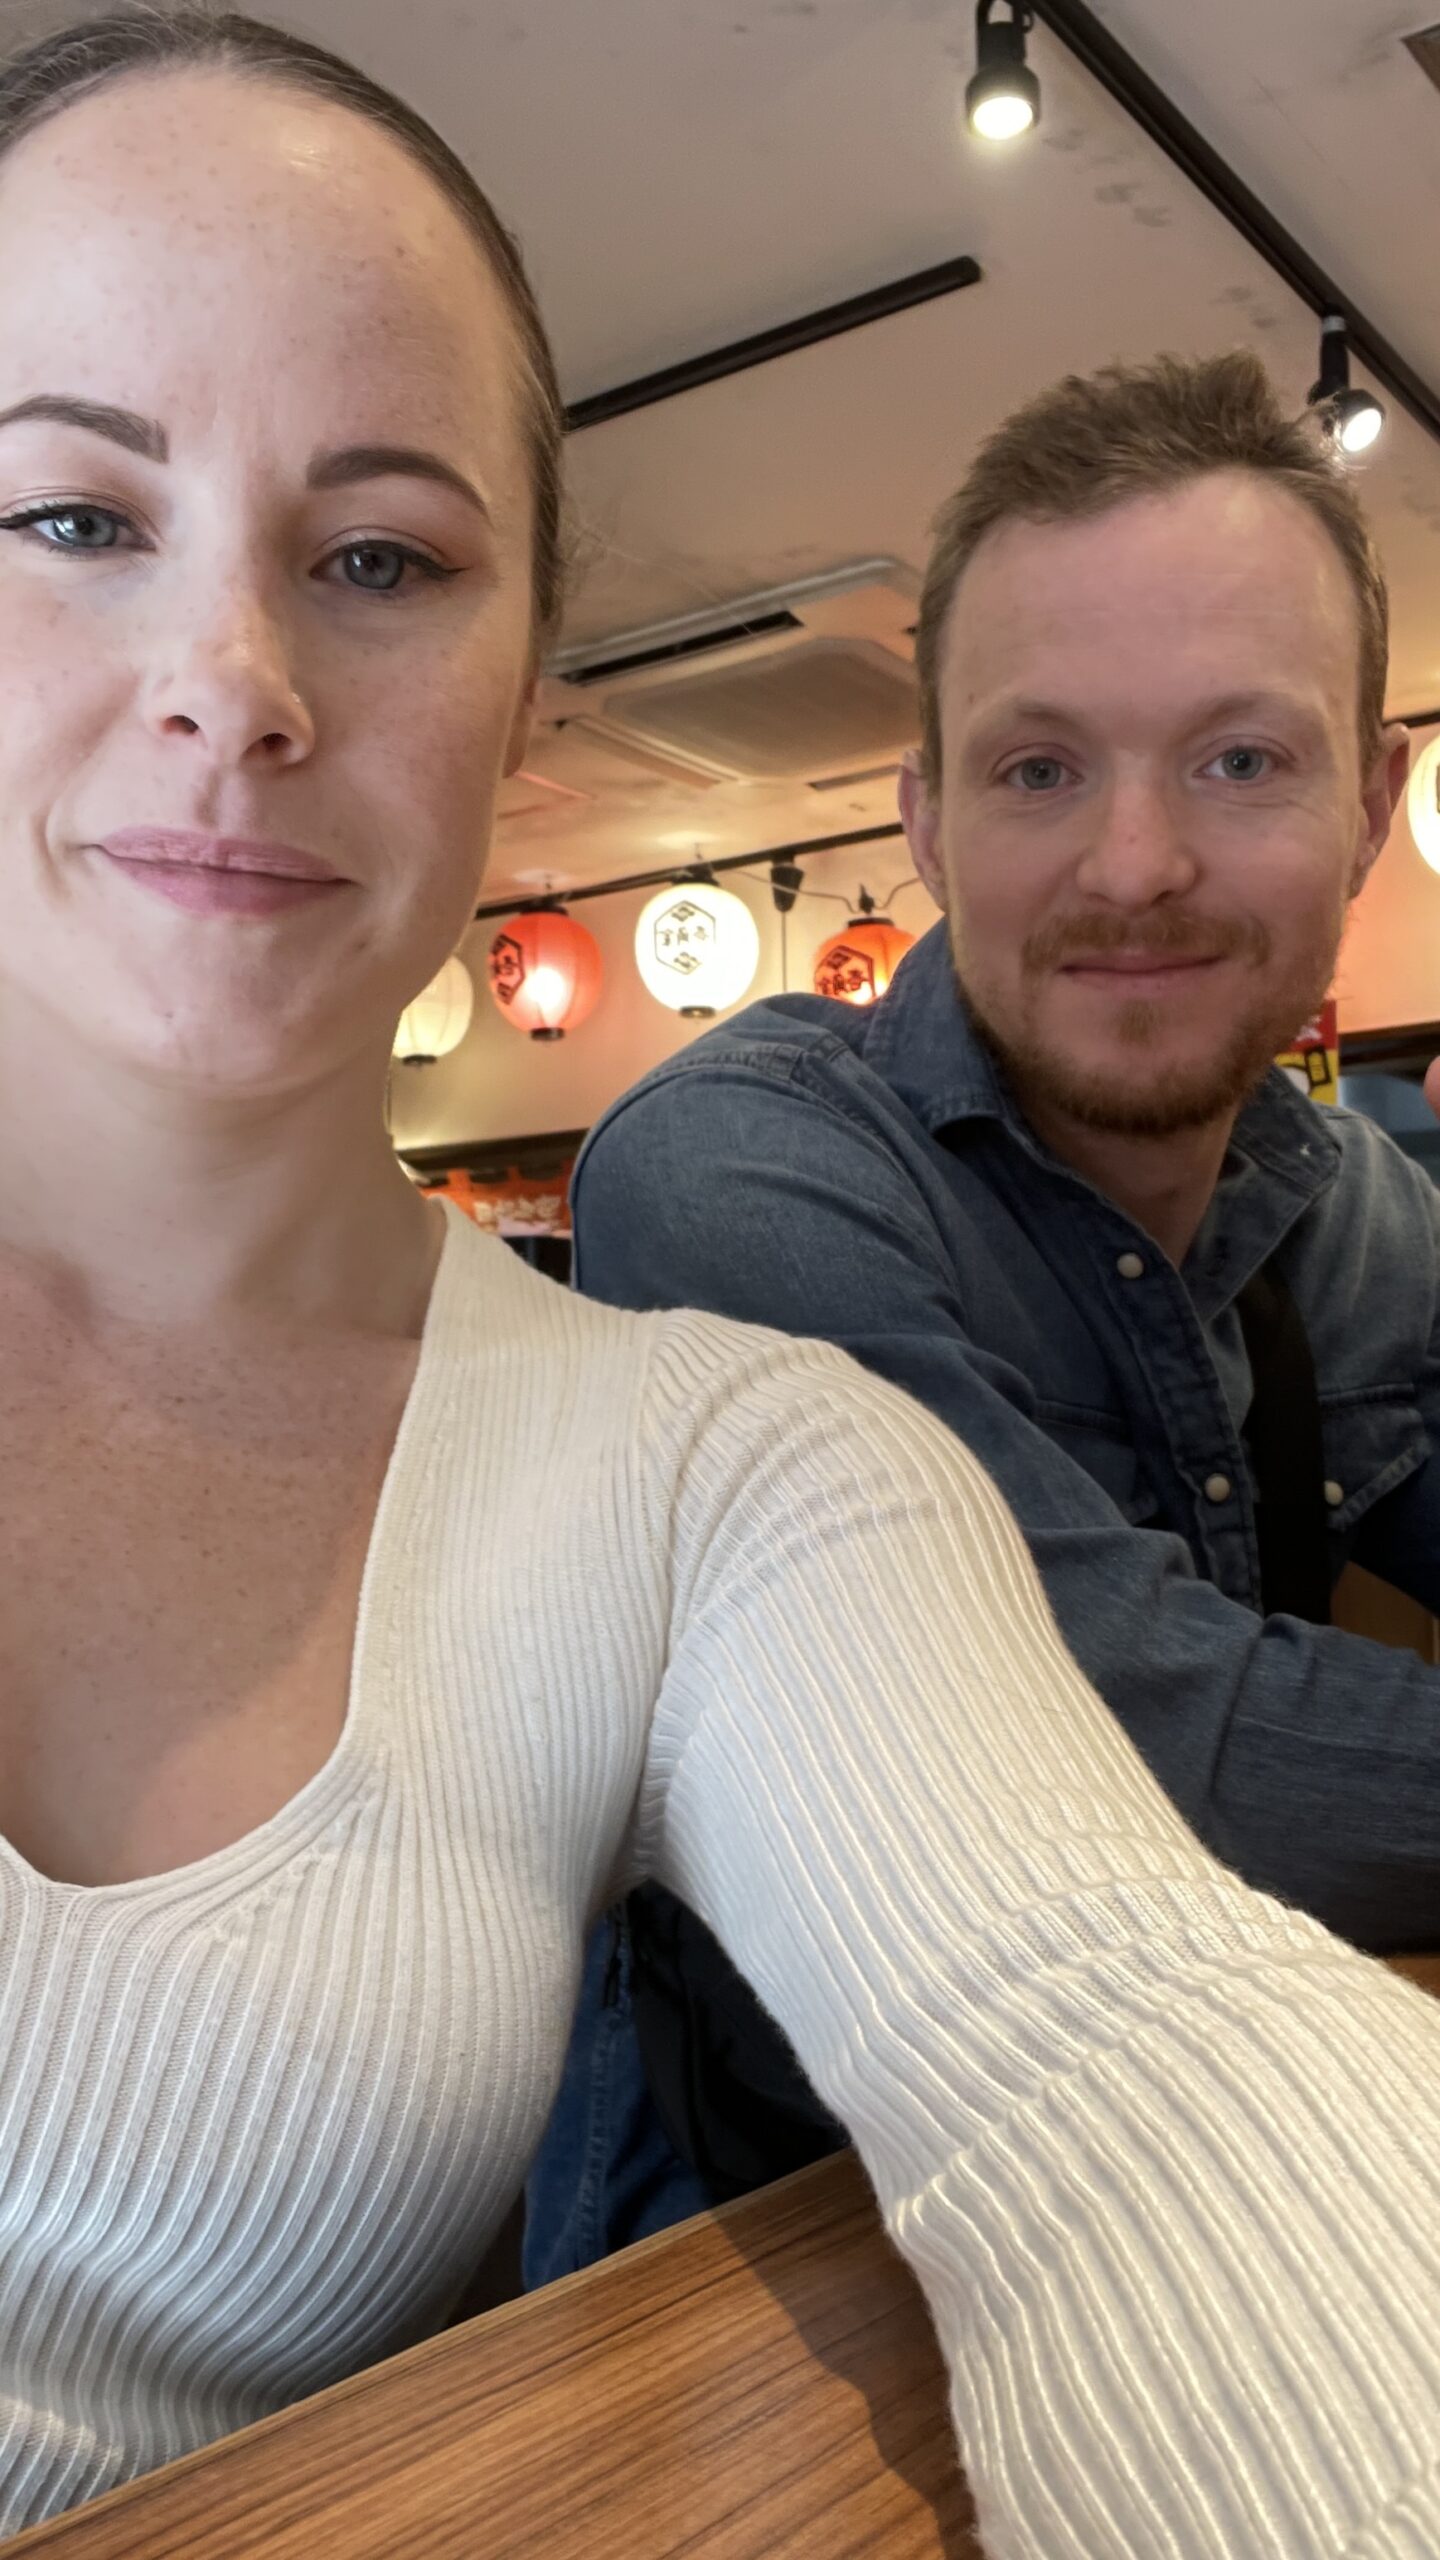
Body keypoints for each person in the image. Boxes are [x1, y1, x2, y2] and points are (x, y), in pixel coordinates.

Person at [0, 17, 1438, 2556]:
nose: (234, 678)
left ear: (520, 684)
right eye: (68, 513)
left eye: (382, 556)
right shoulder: (752, 1167)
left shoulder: (716, 1457)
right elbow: (1179, 1741)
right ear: (923, 812)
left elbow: (1127, 2040)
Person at [529, 352, 1440, 2281]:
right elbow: (1129, 1748)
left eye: (1241, 759)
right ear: (927, 818)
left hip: (1226, 2160)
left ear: (1370, 804)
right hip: (770, 2263)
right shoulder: (737, 1175)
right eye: (1040, 769)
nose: (1137, 863)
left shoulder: (1356, 1210)